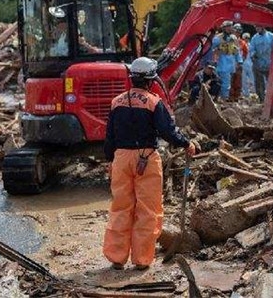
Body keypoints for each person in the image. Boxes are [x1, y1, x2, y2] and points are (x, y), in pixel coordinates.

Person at [103, 57, 196, 270]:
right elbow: (168, 132)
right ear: (151, 80)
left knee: (120, 207)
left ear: (132, 78)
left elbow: (110, 137)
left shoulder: (116, 102)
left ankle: (117, 257)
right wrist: (186, 143)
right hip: (146, 158)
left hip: (121, 158)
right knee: (148, 210)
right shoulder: (154, 102)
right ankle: (142, 260)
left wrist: (110, 160)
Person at [212, 21, 243, 100]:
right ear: (223, 28)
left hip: (229, 63)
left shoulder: (233, 38)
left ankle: (224, 98)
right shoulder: (217, 38)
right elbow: (212, 50)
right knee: (217, 82)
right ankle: (217, 98)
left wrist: (239, 61)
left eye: (230, 27)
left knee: (226, 83)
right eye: (227, 27)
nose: (229, 28)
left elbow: (236, 50)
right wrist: (217, 51)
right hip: (219, 62)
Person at [249, 26, 273, 102]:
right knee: (259, 83)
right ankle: (261, 99)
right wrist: (253, 55)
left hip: (269, 63)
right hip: (258, 63)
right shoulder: (254, 38)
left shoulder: (271, 36)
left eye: (258, 27)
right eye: (256, 27)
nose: (257, 29)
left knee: (271, 83)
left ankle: (271, 99)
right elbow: (251, 49)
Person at [229, 23, 248, 101]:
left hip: (238, 64)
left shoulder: (242, 43)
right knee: (230, 80)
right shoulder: (229, 40)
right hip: (229, 63)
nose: (237, 33)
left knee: (238, 80)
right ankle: (230, 96)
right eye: (236, 31)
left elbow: (245, 53)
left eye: (239, 32)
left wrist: (241, 62)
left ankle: (237, 96)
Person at [240, 32, 255, 97]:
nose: (247, 39)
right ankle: (245, 93)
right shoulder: (241, 45)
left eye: (248, 38)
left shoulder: (251, 45)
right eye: (245, 38)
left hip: (250, 63)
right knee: (243, 79)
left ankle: (254, 92)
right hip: (243, 63)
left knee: (252, 78)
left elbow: (253, 53)